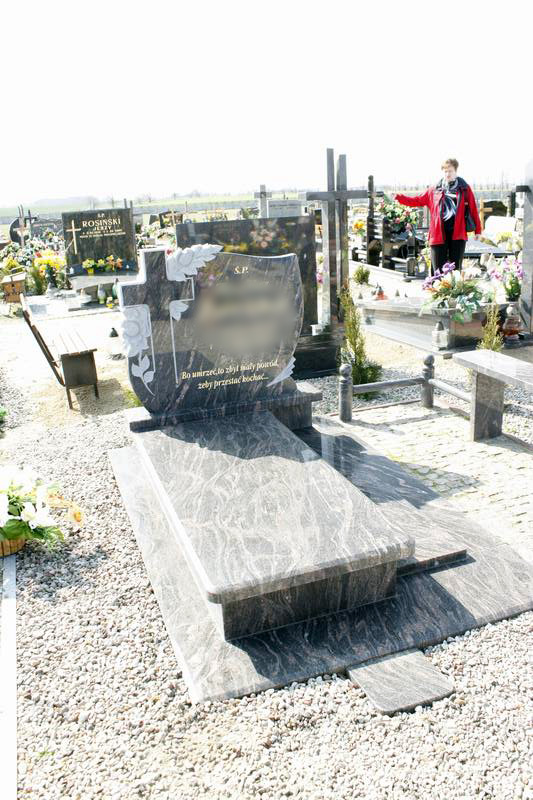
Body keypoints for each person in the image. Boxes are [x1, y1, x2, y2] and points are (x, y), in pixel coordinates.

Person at [394, 158, 482, 275]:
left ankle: (453, 287)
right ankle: (436, 286)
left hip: (458, 234)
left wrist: (478, 231)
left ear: (456, 171)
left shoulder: (464, 188)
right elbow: (417, 200)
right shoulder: (434, 189)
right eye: (445, 171)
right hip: (438, 234)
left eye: (450, 171)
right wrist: (399, 197)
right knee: (437, 270)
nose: (448, 174)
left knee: (455, 269)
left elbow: (473, 209)